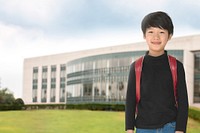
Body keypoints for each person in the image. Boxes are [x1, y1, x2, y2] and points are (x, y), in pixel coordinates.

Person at [125, 11, 188, 133]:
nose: (156, 37)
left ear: (169, 36)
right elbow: (130, 101)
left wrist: (180, 130)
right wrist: (129, 129)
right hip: (143, 128)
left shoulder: (176, 66)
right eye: (151, 32)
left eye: (161, 32)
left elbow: (183, 102)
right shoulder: (136, 67)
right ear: (144, 35)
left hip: (170, 127)